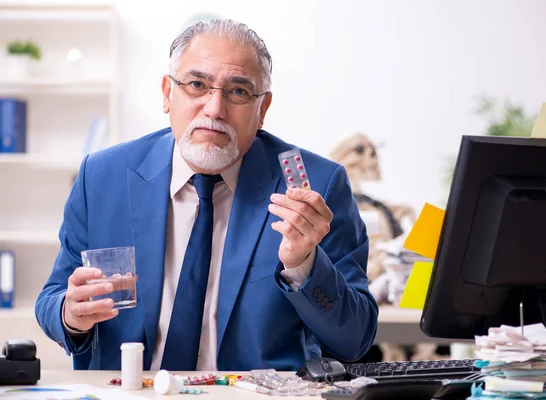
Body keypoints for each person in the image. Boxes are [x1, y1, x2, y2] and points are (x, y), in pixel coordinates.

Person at [35, 18, 378, 371]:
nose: (215, 109)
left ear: (262, 110)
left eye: (239, 91)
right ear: (168, 93)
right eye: (197, 84)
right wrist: (71, 313)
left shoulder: (316, 187)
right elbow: (51, 299)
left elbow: (354, 340)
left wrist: (303, 264)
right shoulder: (102, 176)